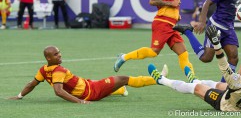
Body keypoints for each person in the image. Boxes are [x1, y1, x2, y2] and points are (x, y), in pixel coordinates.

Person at [148, 25, 241, 111]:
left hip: (225, 105)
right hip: (237, 97)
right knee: (219, 84)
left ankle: (162, 80)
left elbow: (223, 64)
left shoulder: (236, 81)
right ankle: (194, 79)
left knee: (196, 89)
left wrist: (216, 44)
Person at [9, 46, 163, 104]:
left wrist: (20, 95)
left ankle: (120, 91)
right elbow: (58, 91)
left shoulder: (44, 70)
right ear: (49, 58)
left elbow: (32, 84)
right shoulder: (58, 71)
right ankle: (159, 79)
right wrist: (79, 102)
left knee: (112, 84)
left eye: (59, 52)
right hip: (91, 91)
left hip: (88, 84)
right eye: (56, 54)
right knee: (123, 79)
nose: (60, 55)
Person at [173, 0, 241, 82]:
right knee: (206, 58)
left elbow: (233, 6)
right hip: (215, 27)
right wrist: (202, 21)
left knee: (233, 57)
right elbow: (207, 2)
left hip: (229, 28)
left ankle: (224, 87)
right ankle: (188, 31)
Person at [113, 0, 195, 75]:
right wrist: (171, 4)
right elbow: (152, 0)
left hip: (172, 26)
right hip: (162, 24)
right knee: (154, 52)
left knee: (183, 53)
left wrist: (176, 15)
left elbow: (169, 7)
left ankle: (193, 80)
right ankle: (123, 57)